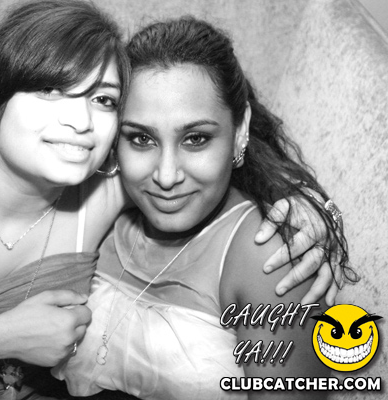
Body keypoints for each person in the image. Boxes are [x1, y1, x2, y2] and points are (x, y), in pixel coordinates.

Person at [0, 1, 339, 399]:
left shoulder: (109, 187)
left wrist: (305, 207)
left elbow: (199, 169)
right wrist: (1, 336)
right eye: (50, 90)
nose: (80, 120)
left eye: (103, 99)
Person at [54, 16, 355, 400]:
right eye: (141, 138)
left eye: (195, 139)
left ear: (240, 130)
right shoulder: (97, 207)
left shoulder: (268, 256)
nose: (166, 176)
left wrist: (324, 210)